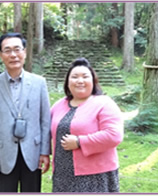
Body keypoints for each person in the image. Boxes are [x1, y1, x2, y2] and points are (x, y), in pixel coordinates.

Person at [0, 32, 51, 192]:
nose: (13, 55)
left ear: (25, 52)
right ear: (1, 55)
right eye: (7, 50)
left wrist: (44, 152)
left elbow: (45, 120)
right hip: (4, 153)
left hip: (33, 152)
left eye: (17, 49)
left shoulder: (39, 83)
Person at [50, 57, 124, 192]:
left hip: (95, 176)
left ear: (93, 81)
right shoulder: (59, 105)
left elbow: (114, 135)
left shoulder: (104, 103)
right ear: (67, 82)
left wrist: (80, 142)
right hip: (63, 175)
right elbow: (45, 130)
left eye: (85, 77)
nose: (80, 81)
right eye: (74, 77)